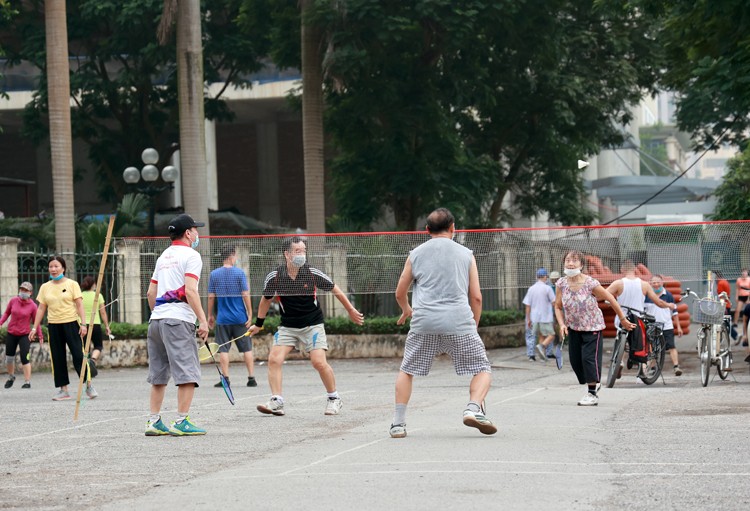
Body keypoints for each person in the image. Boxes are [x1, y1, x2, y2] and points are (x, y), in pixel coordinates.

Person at [388, 208, 496, 438]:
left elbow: (399, 292)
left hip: (424, 320)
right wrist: (473, 325)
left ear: (427, 230)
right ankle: (473, 408)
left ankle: (398, 424)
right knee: (482, 368)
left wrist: (407, 309)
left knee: (407, 370)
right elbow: (476, 297)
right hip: (458, 320)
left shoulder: (415, 253)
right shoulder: (466, 254)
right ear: (453, 228)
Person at [248, 236, 363, 417]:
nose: (302, 254)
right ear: (287, 254)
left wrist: (350, 310)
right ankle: (277, 401)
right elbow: (265, 300)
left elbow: (335, 289)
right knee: (274, 359)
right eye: (297, 251)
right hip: (288, 326)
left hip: (312, 324)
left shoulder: (312, 273)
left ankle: (334, 399)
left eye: (303, 251)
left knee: (318, 362)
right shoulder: (275, 276)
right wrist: (258, 324)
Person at [145, 213, 209, 436]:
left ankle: (154, 421)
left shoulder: (163, 256)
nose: (197, 233)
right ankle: (182, 421)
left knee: (159, 374)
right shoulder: (191, 255)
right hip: (178, 319)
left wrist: (158, 313)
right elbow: (191, 290)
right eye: (195, 229)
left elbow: (151, 292)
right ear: (188, 233)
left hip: (156, 320)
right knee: (187, 371)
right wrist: (202, 319)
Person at [554, 250, 634, 406]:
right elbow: (557, 306)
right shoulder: (561, 284)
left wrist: (623, 319)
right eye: (568, 260)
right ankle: (593, 382)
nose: (570, 263)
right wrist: (562, 324)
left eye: (575, 260)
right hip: (573, 327)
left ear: (581, 265)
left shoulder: (590, 283)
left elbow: (610, 297)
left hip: (593, 327)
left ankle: (592, 392)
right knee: (575, 361)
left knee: (588, 358)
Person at [29, 257, 96, 400]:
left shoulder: (72, 284)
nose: (53, 269)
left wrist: (83, 324)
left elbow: (79, 305)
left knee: (79, 356)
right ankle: (63, 390)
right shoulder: (45, 287)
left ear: (63, 268)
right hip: (53, 325)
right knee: (57, 357)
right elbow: (41, 308)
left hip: (71, 324)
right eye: (51, 266)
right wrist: (34, 328)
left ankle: (88, 385)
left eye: (56, 266)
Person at [606, 260, 674, 381]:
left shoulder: (618, 283)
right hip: (638, 320)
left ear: (622, 270)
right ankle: (642, 369)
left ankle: (619, 361)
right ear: (634, 270)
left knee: (622, 340)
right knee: (643, 344)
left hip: (622, 319)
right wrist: (668, 305)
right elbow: (658, 302)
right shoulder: (644, 285)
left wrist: (610, 301)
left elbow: (603, 295)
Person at [207, 244, 257, 388]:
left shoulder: (214, 274)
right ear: (231, 256)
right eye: (235, 256)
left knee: (223, 349)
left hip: (223, 319)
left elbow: (211, 297)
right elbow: (245, 294)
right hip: (240, 318)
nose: (236, 258)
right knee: (247, 348)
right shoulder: (239, 273)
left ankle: (226, 379)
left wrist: (210, 315)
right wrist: (250, 312)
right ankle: (251, 378)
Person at [0, 281, 43, 389]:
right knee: (9, 357)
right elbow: (6, 313)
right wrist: (0, 322)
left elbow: (36, 322)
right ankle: (11, 377)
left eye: (26, 290)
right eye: (22, 290)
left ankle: (27, 382)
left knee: (25, 357)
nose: (23, 292)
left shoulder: (33, 306)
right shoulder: (13, 301)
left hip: (25, 335)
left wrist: (40, 335)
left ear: (30, 293)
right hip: (11, 333)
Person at [644, 274, 683, 376]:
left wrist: (678, 327)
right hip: (652, 326)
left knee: (671, 346)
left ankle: (676, 367)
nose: (656, 285)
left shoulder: (668, 295)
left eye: (658, 282)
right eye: (654, 283)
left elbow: (674, 312)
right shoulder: (647, 296)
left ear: (662, 283)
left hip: (666, 325)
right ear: (650, 284)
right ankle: (652, 367)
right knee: (653, 348)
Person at [80, 276, 111, 377]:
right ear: (93, 285)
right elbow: (102, 312)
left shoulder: (80, 296)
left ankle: (86, 367)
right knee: (98, 345)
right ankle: (93, 360)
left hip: (82, 325)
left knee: (85, 347)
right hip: (95, 324)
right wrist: (107, 326)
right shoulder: (98, 295)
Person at [523, 268, 556, 362]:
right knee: (551, 335)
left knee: (541, 335)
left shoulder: (531, 289)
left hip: (534, 317)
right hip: (545, 317)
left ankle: (542, 356)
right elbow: (554, 302)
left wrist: (528, 319)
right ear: (545, 277)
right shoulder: (547, 288)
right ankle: (542, 346)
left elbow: (527, 305)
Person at [734, 269, 750, 338]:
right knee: (737, 310)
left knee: (747, 310)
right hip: (741, 296)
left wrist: (748, 299)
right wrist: (736, 296)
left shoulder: (749, 279)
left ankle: (747, 323)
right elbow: (737, 288)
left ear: (747, 273)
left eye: (745, 272)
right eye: (743, 272)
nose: (744, 273)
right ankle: (735, 322)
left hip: (747, 296)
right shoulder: (739, 280)